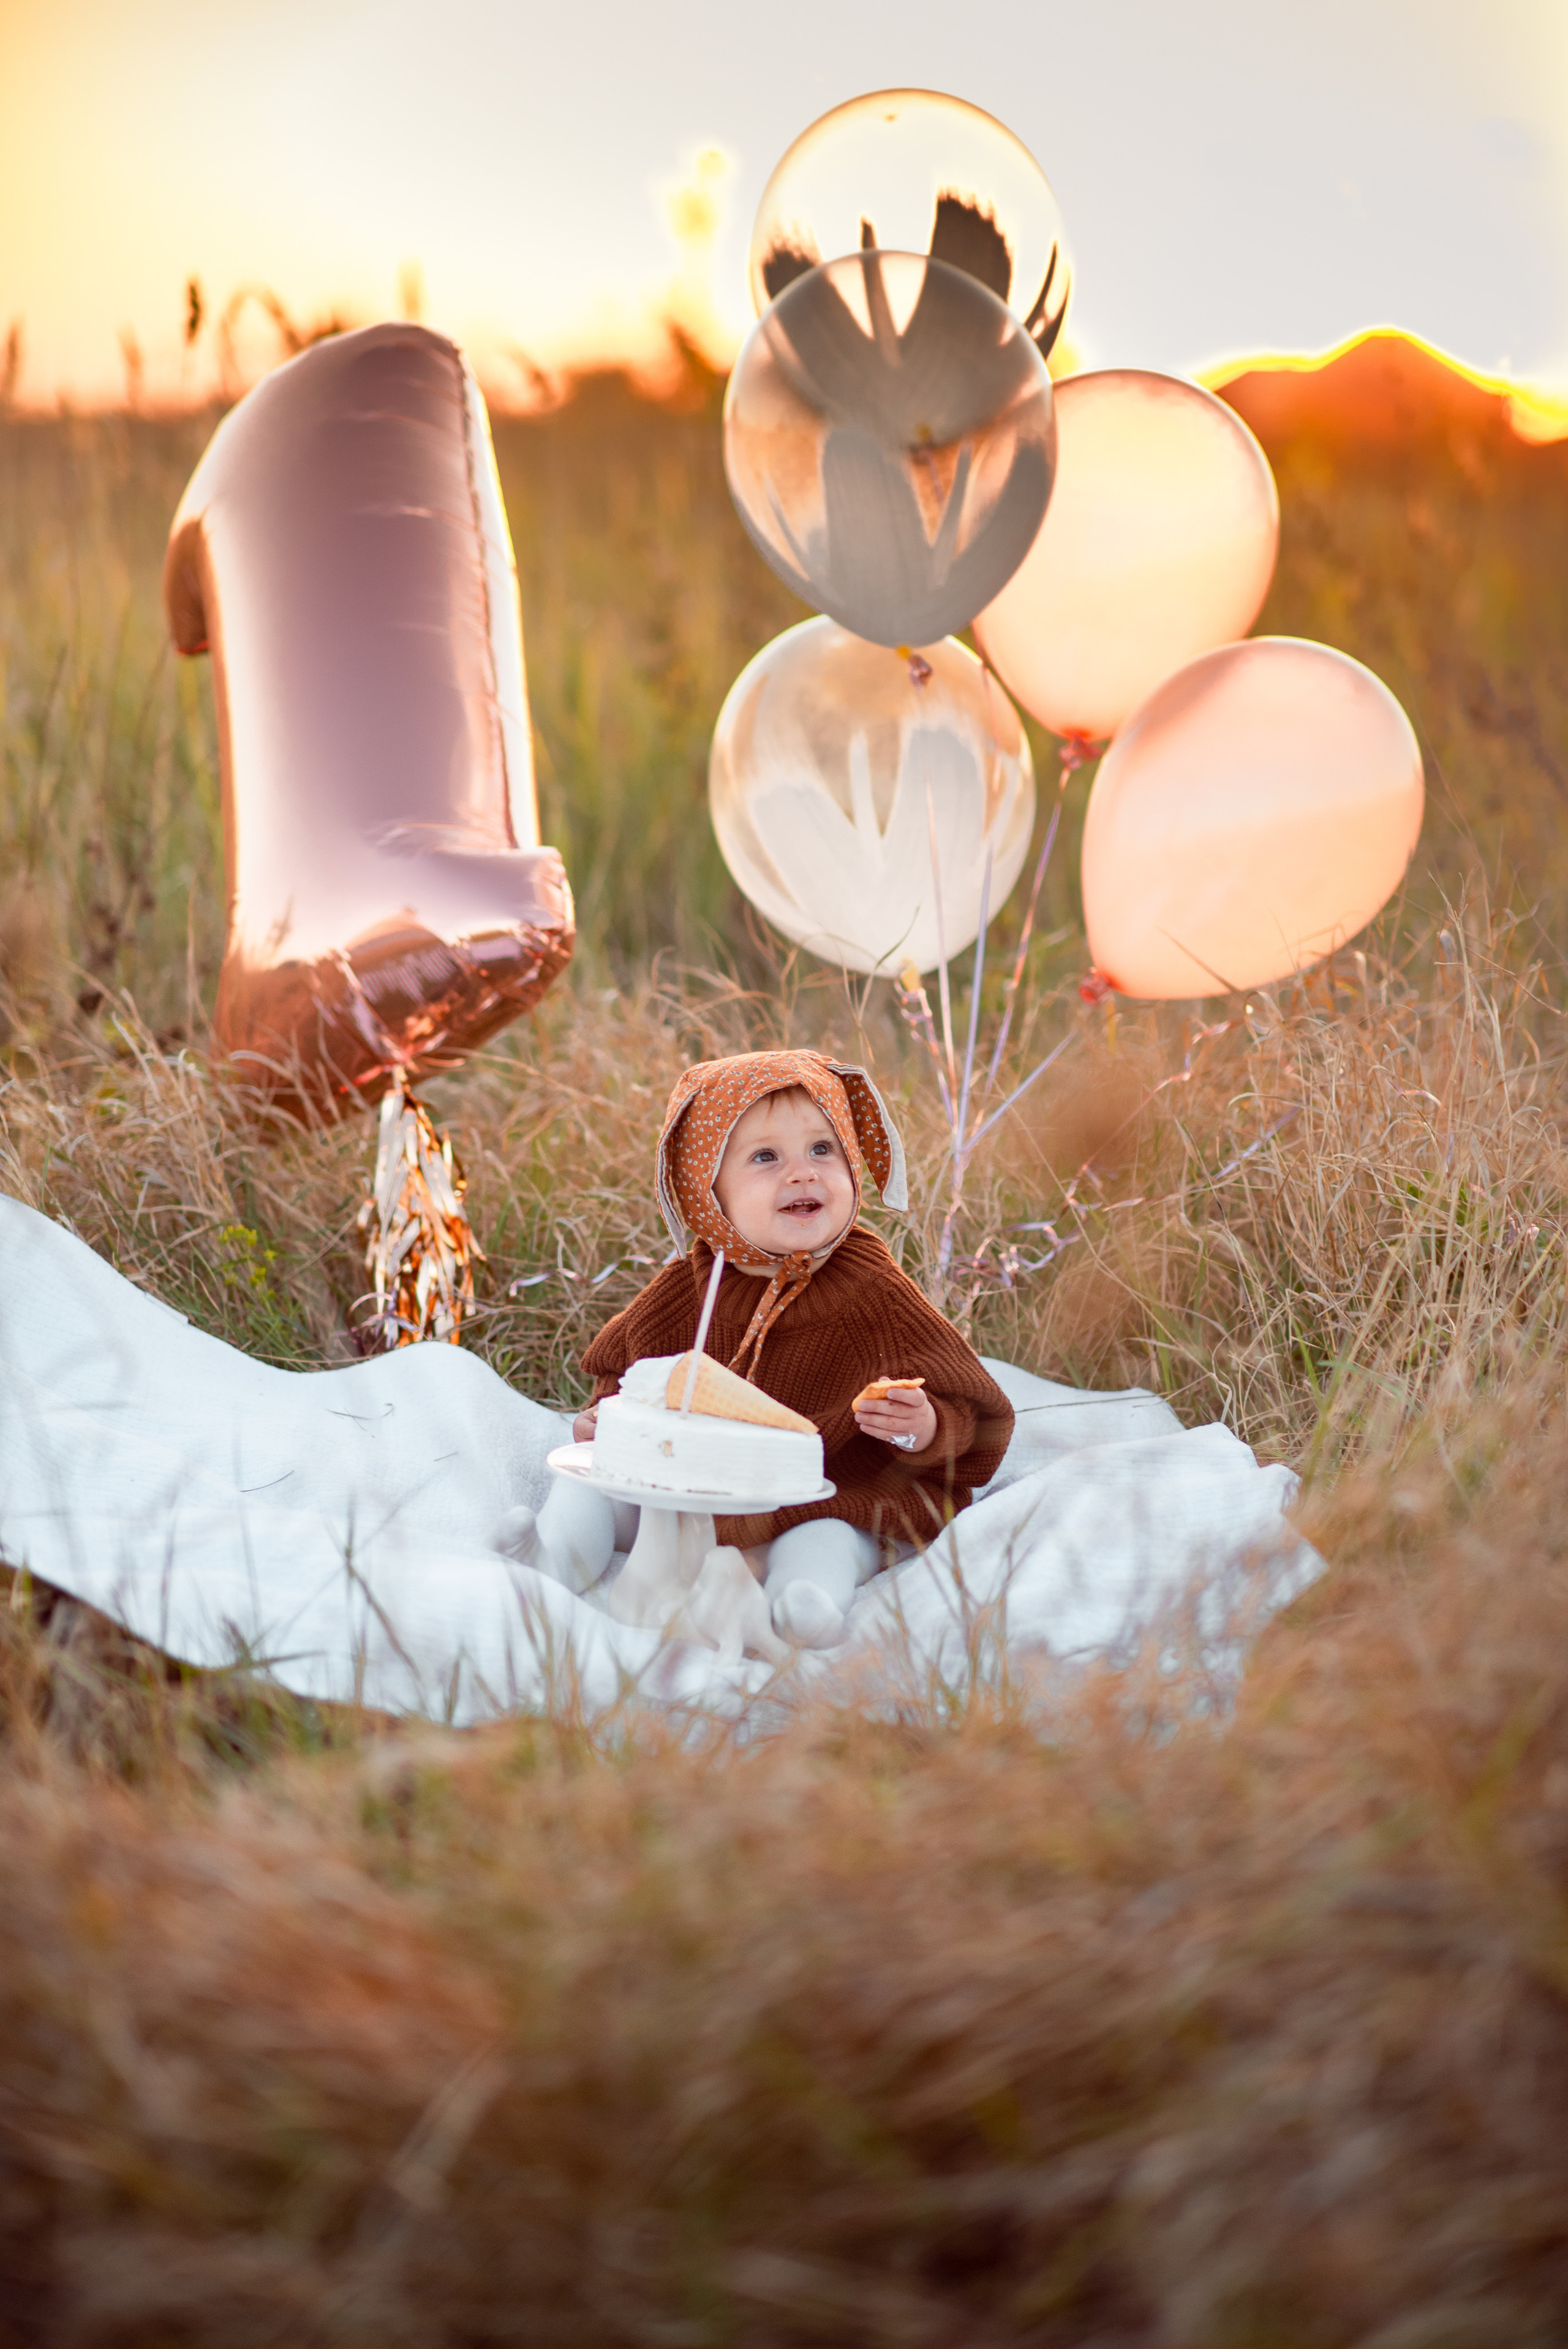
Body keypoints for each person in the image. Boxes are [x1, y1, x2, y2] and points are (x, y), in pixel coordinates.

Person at [508, 1050, 1013, 1649]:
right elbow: (626, 1372)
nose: (802, 1174)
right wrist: (605, 1420)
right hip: (688, 1497)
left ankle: (801, 1604)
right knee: (589, 1483)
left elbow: (973, 1410)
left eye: (823, 1149)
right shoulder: (690, 1285)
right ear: (707, 1192)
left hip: (822, 1492)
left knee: (827, 1540)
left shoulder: (873, 1288)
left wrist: (922, 1428)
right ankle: (552, 1562)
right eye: (766, 1157)